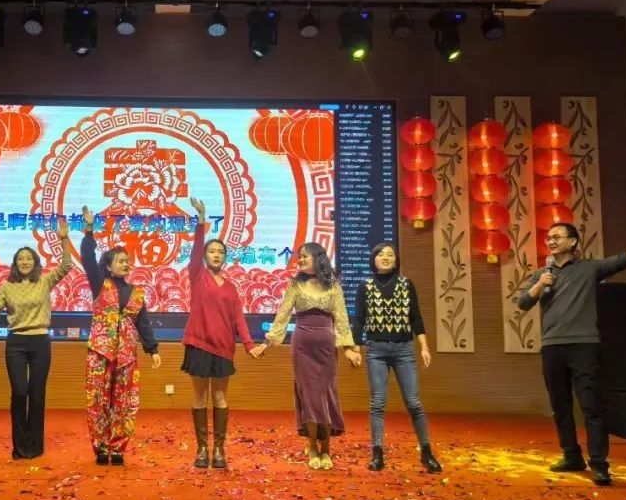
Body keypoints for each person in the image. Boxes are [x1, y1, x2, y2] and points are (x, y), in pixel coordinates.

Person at [518, 223, 626, 486]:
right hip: (552, 346)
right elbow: (523, 303)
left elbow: (624, 259)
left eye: (557, 237)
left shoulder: (589, 268)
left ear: (573, 241)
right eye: (548, 238)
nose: (551, 241)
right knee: (560, 406)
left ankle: (599, 464)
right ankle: (571, 456)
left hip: (584, 345)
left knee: (591, 406)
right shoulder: (541, 274)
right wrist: (539, 285)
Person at [0, 220, 73, 459]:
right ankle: (20, 446)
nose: (24, 262)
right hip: (16, 344)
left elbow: (67, 265)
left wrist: (64, 239)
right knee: (20, 391)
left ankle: (35, 446)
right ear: (15, 263)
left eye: (28, 258)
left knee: (37, 394)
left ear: (35, 262)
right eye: (20, 259)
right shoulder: (7, 286)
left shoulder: (44, 281)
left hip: (40, 342)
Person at [251, 243, 361, 470]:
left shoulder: (333, 285)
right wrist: (266, 343)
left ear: (318, 258)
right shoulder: (295, 284)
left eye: (304, 256)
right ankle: (312, 446)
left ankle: (326, 448)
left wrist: (349, 349)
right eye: (299, 256)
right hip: (302, 348)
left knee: (326, 394)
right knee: (309, 396)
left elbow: (341, 318)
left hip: (326, 350)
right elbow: (282, 315)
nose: (300, 260)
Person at [180, 196, 258, 469]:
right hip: (199, 345)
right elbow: (195, 250)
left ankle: (219, 450)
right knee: (200, 397)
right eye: (211, 251)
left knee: (220, 398)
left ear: (225, 257)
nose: (216, 255)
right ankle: (202, 449)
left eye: (220, 252)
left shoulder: (231, 287)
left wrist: (249, 345)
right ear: (204, 256)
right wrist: (201, 220)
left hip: (224, 349)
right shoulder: (197, 275)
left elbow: (239, 320)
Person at [80, 205, 161, 466]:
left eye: (127, 260)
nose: (126, 264)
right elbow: (87, 257)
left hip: (126, 355)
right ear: (108, 266)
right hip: (100, 352)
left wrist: (152, 349)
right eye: (120, 260)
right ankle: (101, 447)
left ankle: (117, 448)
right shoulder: (99, 284)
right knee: (98, 400)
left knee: (124, 402)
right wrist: (89, 230)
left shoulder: (136, 292)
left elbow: (143, 322)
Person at [353, 243, 440, 474]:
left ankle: (426, 452)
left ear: (396, 260)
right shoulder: (365, 286)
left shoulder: (406, 284)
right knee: (378, 403)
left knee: (413, 402)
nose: (385, 257)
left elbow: (416, 317)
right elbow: (359, 320)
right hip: (376, 350)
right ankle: (377, 453)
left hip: (404, 350)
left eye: (390, 254)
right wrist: (355, 348)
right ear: (373, 259)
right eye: (381, 254)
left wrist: (424, 347)